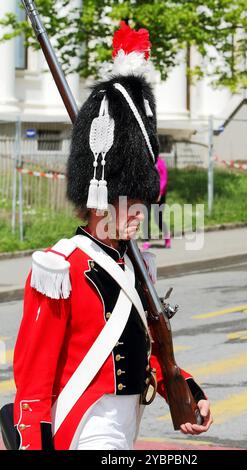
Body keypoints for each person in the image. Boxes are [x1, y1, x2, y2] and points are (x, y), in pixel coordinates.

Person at [12, 21, 212, 451]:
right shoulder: (61, 267)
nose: (140, 212)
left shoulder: (135, 265)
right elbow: (34, 373)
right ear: (100, 198)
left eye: (143, 200)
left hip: (127, 422)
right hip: (84, 423)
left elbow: (149, 347)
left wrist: (188, 389)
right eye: (130, 200)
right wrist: (34, 440)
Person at [142, 155, 171, 250]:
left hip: (160, 194)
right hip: (148, 193)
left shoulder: (160, 162)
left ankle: (167, 237)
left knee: (157, 218)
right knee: (146, 217)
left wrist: (160, 192)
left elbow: (164, 179)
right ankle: (146, 241)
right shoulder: (146, 162)